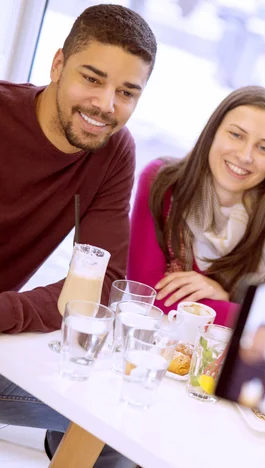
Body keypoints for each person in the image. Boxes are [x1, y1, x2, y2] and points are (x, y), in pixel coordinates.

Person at [0, 5, 157, 467]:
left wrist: (7, 310)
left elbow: (104, 283)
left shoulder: (112, 152)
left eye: (126, 92)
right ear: (56, 65)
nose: (106, 105)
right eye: (92, 78)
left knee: (114, 429)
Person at [127, 86, 265, 326]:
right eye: (236, 135)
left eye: (263, 148)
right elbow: (146, 294)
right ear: (213, 132)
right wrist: (235, 309)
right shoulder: (161, 183)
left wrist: (225, 296)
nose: (245, 155)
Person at [227, 323, 265, 406]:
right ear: (253, 335)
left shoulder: (264, 364)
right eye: (261, 336)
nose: (262, 342)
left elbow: (262, 395)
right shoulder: (236, 351)